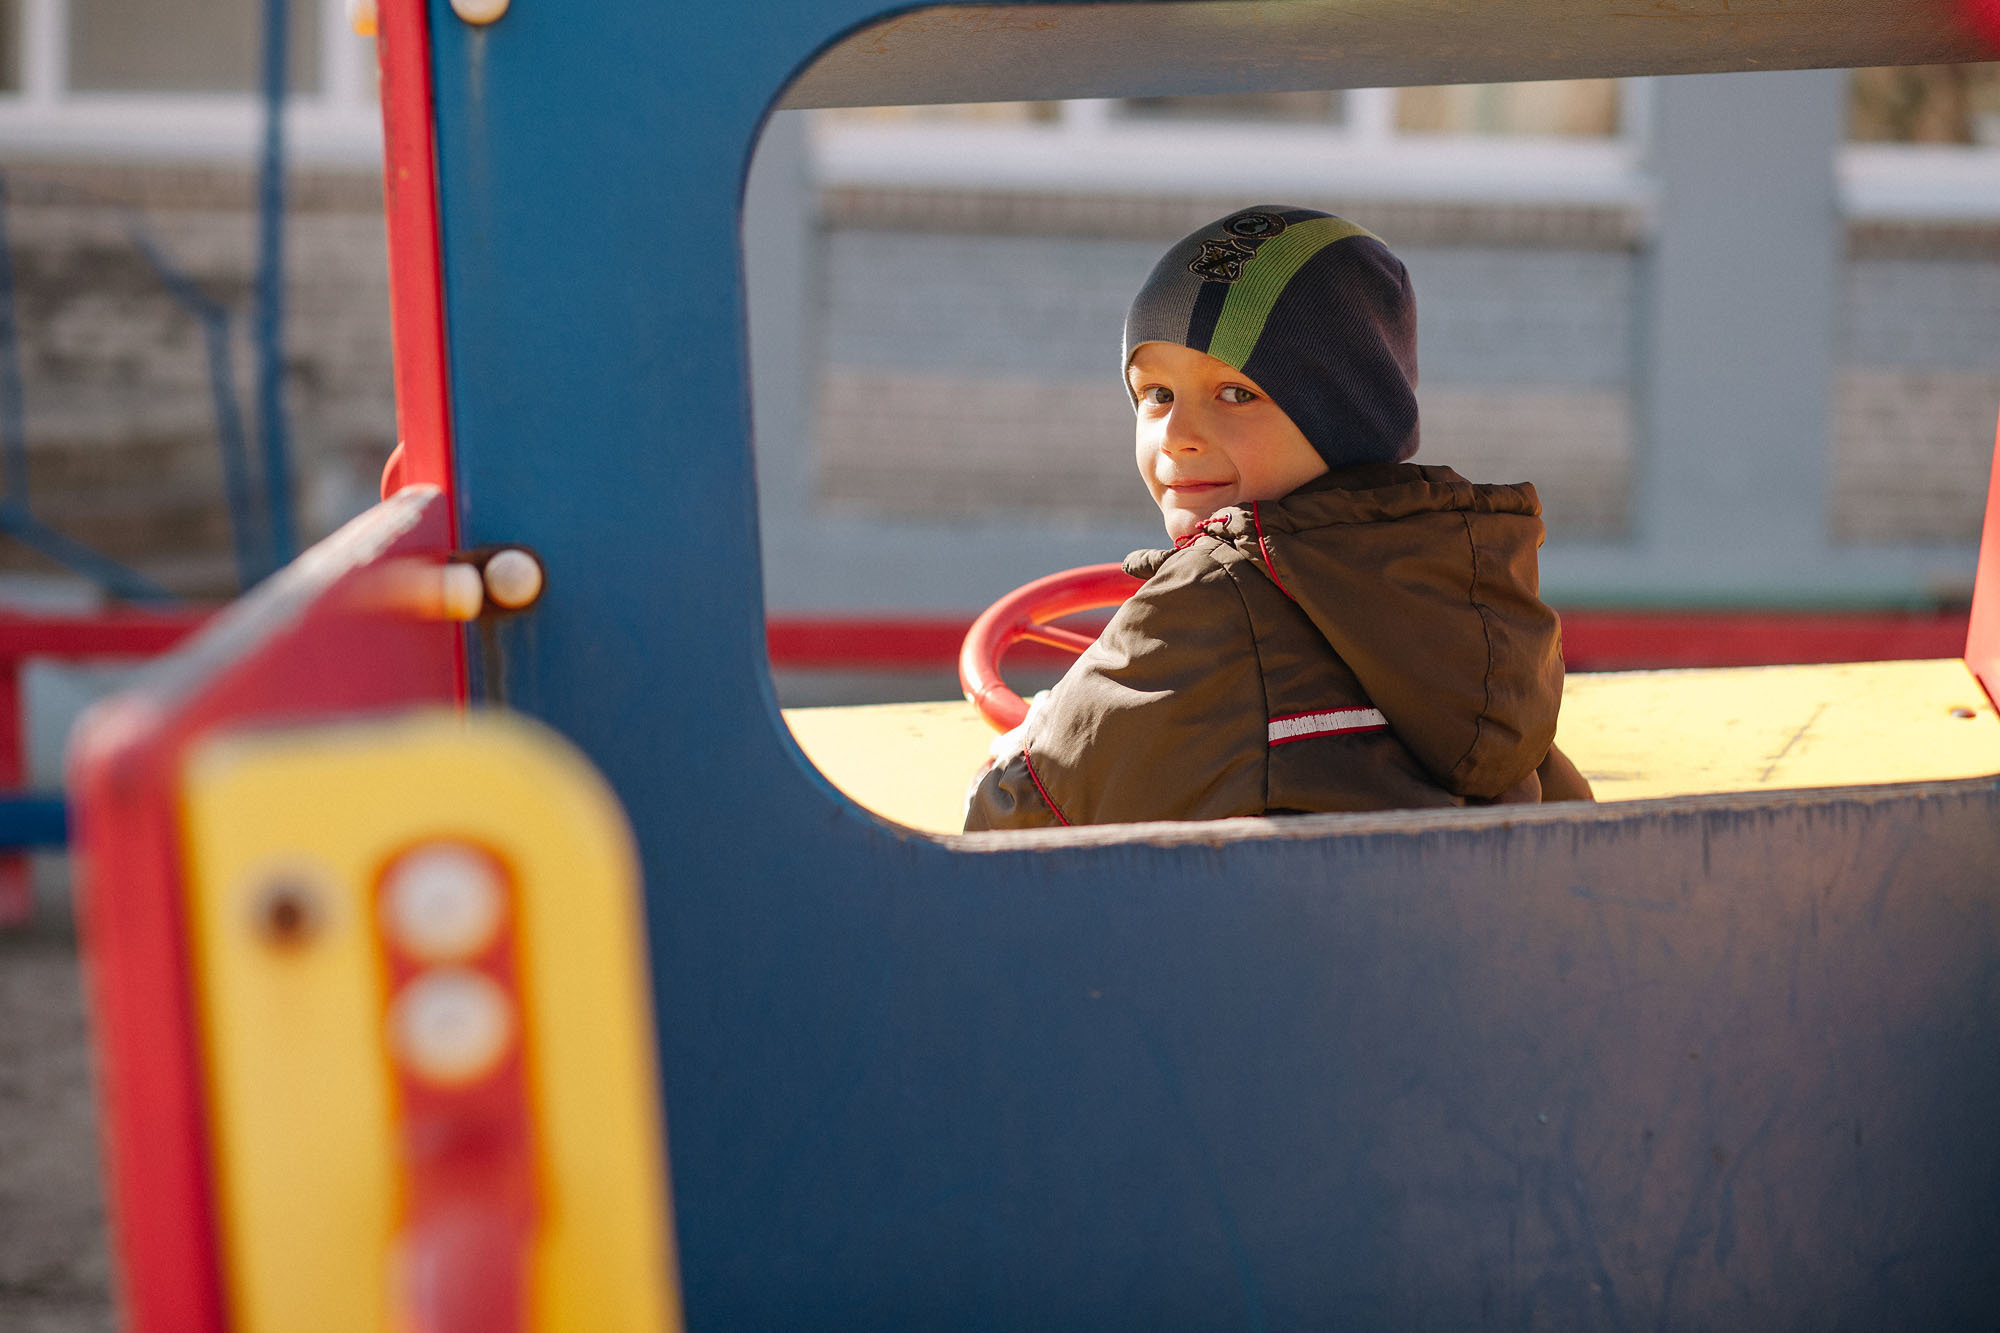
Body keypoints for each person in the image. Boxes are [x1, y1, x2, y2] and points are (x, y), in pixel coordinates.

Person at [964, 205, 1593, 830]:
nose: (1178, 435)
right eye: (1157, 395)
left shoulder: (1212, 604)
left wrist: (1031, 743)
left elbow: (1019, 833)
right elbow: (1567, 818)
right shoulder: (1463, 594)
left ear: (1342, 420)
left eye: (1236, 394)